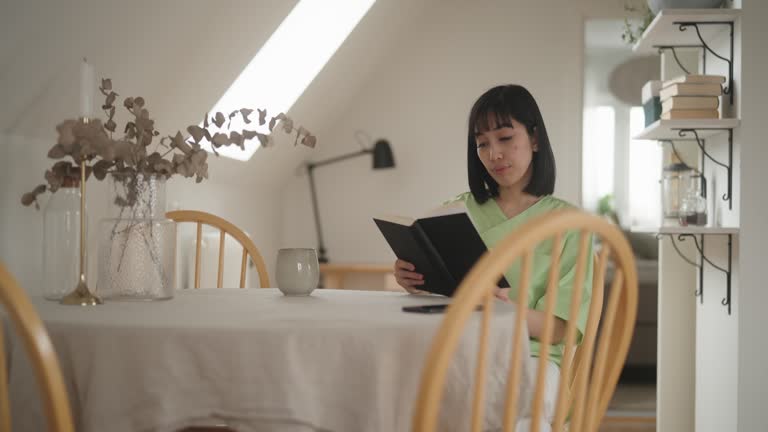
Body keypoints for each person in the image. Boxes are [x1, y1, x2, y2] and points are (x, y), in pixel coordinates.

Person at [393, 84, 593, 430]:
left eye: (504, 138)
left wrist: (497, 309)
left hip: (531, 355)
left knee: (506, 398)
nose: (493, 154)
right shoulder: (456, 211)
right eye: (482, 144)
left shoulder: (571, 225)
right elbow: (443, 293)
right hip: (459, 346)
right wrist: (412, 277)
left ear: (535, 139)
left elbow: (559, 328)